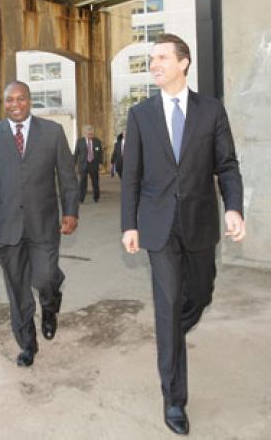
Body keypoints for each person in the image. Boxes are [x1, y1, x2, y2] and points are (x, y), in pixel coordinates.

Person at [120, 34, 245, 435]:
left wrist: (234, 208)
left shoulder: (211, 110)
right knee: (168, 304)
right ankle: (174, 399)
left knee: (200, 293)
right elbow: (131, 177)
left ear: (184, 62)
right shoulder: (140, 115)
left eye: (161, 57)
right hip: (157, 227)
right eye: (151, 59)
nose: (154, 64)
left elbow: (226, 164)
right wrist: (129, 224)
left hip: (199, 222)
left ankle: (172, 329)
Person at [0, 80, 79, 367]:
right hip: (7, 227)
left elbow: (67, 176)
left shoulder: (52, 133)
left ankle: (50, 305)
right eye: (9, 100)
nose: (15, 104)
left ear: (30, 101)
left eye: (20, 99)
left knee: (44, 277)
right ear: (3, 103)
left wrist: (71, 211)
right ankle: (27, 343)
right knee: (17, 288)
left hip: (44, 224)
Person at [73, 125, 103, 202]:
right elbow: (76, 153)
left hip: (94, 164)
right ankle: (81, 198)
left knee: (95, 182)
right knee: (82, 183)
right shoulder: (80, 141)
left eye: (92, 133)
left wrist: (100, 163)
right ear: (85, 133)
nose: (91, 135)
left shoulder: (97, 141)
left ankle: (96, 197)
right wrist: (74, 163)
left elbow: (100, 153)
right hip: (83, 165)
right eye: (90, 133)